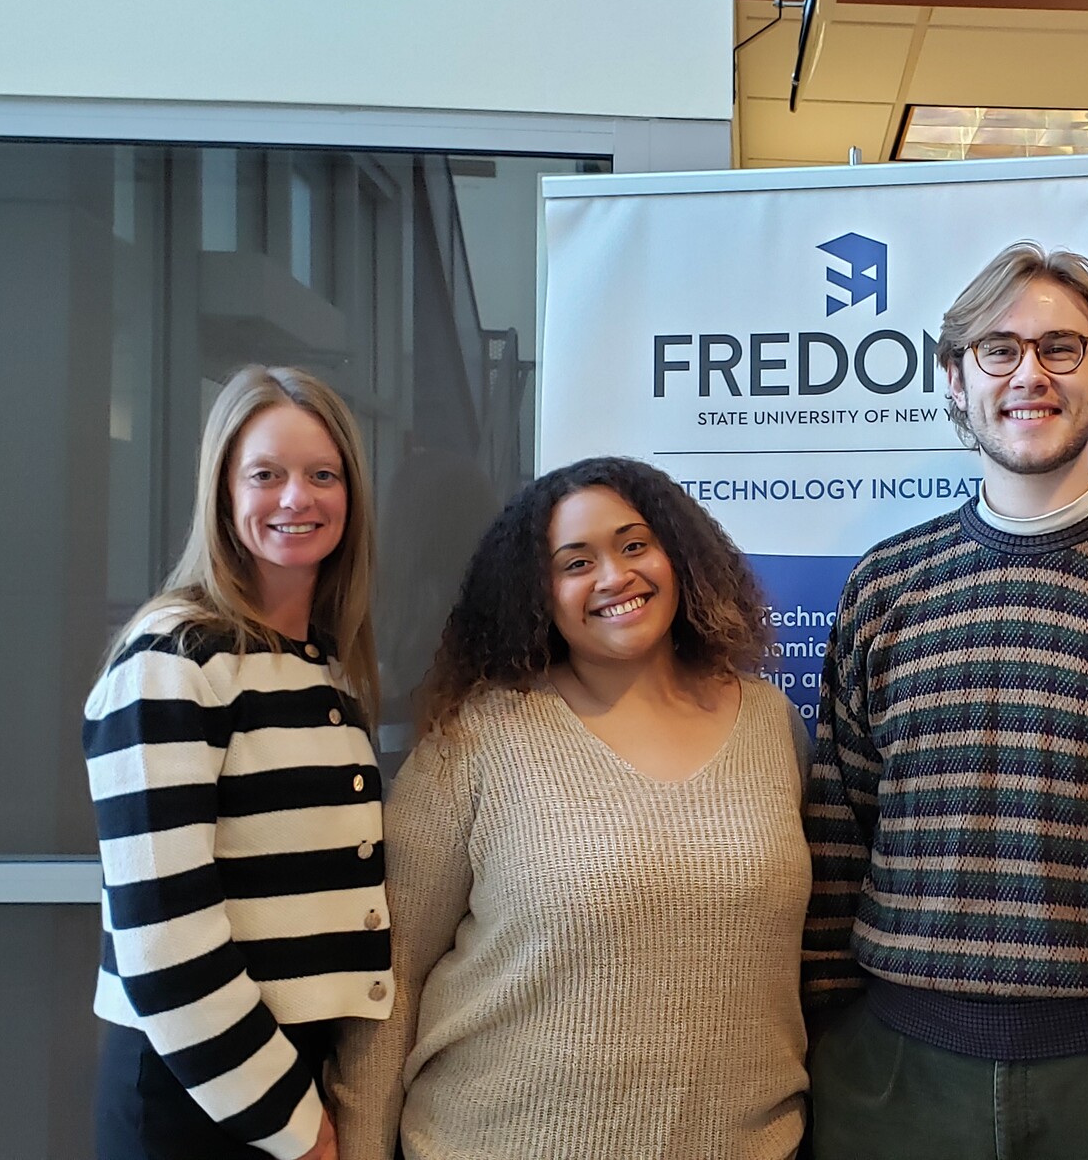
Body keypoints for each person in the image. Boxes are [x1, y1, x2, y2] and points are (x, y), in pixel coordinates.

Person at [802, 242, 1088, 1160]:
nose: (1029, 375)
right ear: (956, 379)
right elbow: (840, 831)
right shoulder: (886, 587)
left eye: (1062, 347)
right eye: (998, 350)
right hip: (896, 1075)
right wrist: (827, 1034)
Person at [329, 457, 809, 1160]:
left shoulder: (773, 725)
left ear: (680, 555)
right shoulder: (476, 741)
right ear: (537, 594)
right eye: (575, 561)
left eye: (635, 544)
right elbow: (392, 973)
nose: (615, 576)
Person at [85, 365, 391, 1160]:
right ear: (223, 492)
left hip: (288, 1081)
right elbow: (165, 938)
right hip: (203, 1098)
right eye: (267, 474)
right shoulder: (172, 658)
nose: (298, 498)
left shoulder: (323, 663)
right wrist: (295, 1126)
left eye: (323, 475)